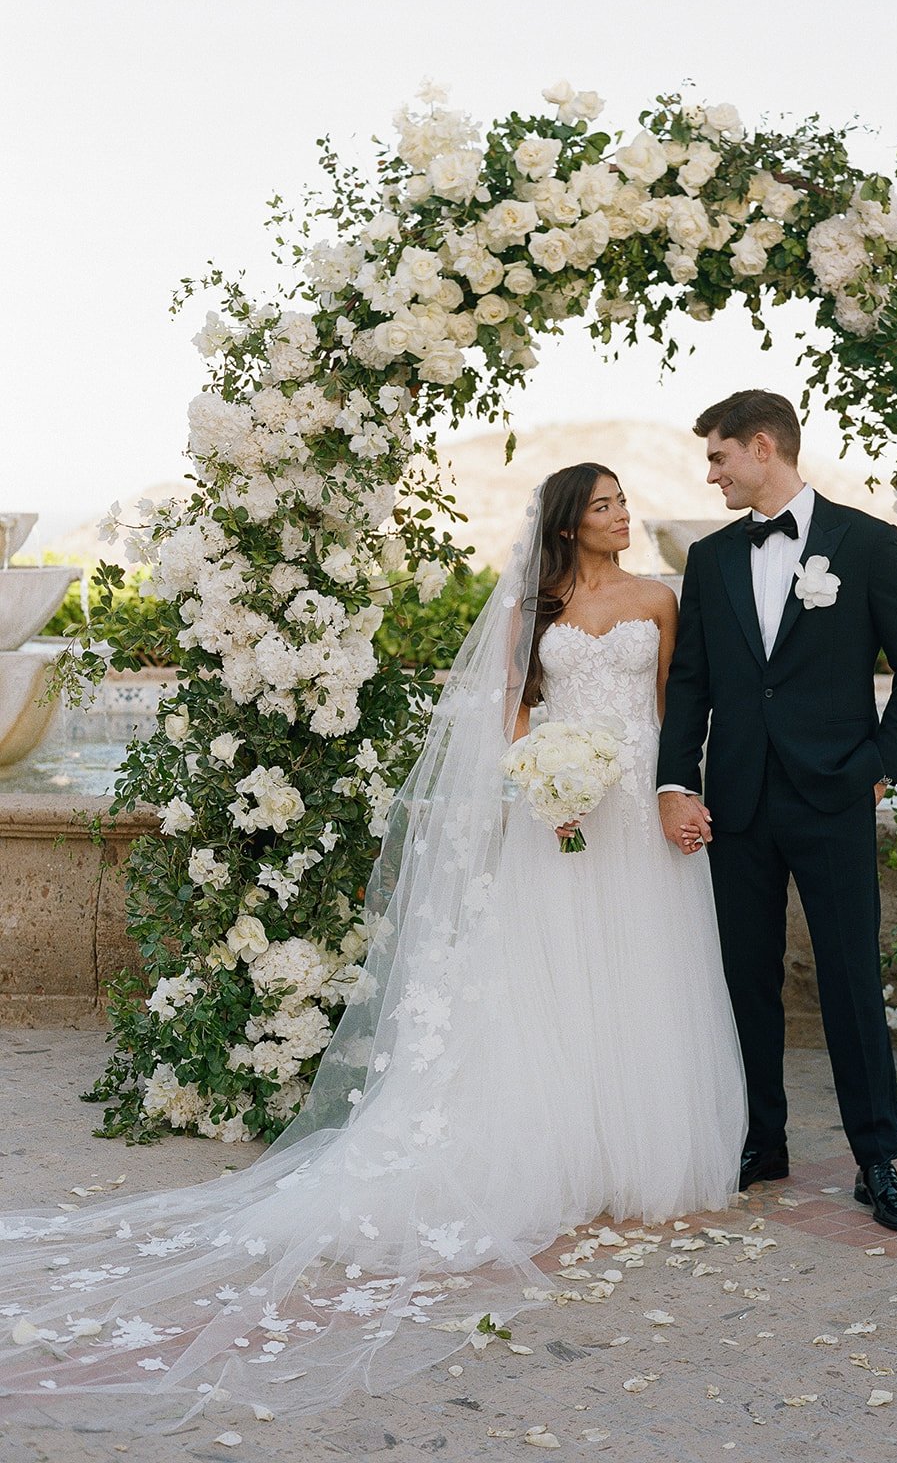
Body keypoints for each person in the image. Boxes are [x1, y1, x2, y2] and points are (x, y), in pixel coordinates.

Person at [0, 465, 745, 1430]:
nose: (620, 515)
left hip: (636, 803)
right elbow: (514, 710)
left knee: (643, 971)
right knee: (551, 974)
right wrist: (539, 779)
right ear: (569, 522)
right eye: (602, 504)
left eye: (620, 503)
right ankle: (561, 1145)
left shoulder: (659, 598)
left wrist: (667, 790)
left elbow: (677, 705)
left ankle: (632, 1146)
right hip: (558, 811)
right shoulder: (532, 607)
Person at [657, 390, 897, 1231]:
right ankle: (761, 1139)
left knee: (852, 978)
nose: (711, 475)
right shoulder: (709, 561)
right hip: (737, 803)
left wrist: (878, 766)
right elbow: (691, 687)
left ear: (760, 447)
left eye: (718, 458)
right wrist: (678, 782)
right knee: (745, 979)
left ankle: (877, 1159)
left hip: (833, 797)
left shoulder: (867, 542)